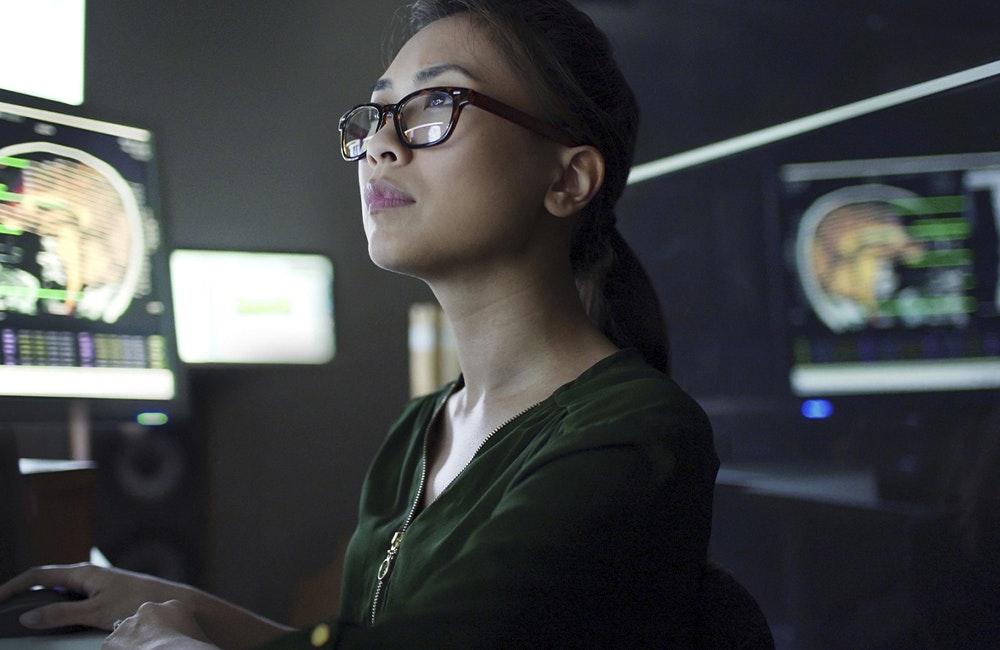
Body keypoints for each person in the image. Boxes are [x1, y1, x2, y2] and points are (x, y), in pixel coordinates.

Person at [0, 0, 719, 647]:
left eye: (435, 107)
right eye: (376, 114)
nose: (380, 145)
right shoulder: (420, 429)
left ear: (568, 179)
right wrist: (184, 606)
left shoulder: (635, 431)